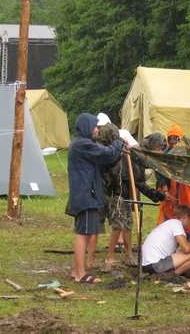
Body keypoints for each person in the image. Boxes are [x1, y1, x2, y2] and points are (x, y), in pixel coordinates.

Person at [67, 113, 125, 284]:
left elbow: (105, 159)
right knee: (83, 234)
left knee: (87, 232)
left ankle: (76, 270)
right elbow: (107, 154)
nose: (97, 130)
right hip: (85, 196)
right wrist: (119, 142)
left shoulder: (83, 144)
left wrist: (116, 151)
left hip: (87, 194)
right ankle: (80, 273)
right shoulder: (82, 144)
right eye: (94, 127)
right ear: (86, 127)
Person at [98, 125, 166, 271]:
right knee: (118, 226)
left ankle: (128, 255)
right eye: (160, 148)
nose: (160, 151)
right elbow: (139, 182)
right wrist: (157, 196)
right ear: (154, 145)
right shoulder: (136, 154)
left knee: (128, 225)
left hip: (127, 193)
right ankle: (110, 256)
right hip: (118, 192)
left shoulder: (141, 154)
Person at [157, 124, 190, 241]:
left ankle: (189, 242)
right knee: (169, 220)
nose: (173, 142)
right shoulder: (164, 155)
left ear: (180, 139)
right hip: (170, 194)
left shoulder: (188, 154)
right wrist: (164, 188)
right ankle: (169, 243)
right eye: (170, 139)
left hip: (186, 194)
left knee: (187, 219)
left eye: (175, 139)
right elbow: (160, 172)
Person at [142, 204, 190, 275]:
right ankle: (173, 275)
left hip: (147, 265)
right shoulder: (177, 224)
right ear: (185, 217)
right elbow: (186, 249)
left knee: (189, 252)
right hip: (156, 265)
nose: (189, 222)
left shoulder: (169, 224)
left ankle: (171, 273)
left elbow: (180, 250)